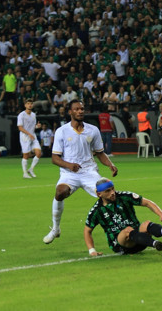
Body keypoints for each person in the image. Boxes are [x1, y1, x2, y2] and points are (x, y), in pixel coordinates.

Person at [44, 100, 118, 244]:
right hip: (69, 173)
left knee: (109, 194)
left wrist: (110, 165)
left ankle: (117, 228)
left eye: (82, 109)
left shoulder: (93, 130)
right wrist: (69, 165)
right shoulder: (62, 131)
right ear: (70, 112)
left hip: (89, 172)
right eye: (76, 109)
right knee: (60, 193)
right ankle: (56, 228)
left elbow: (100, 153)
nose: (80, 111)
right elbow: (54, 158)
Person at [84, 178, 162, 256]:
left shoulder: (124, 196)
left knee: (146, 224)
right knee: (127, 230)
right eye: (107, 191)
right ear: (99, 194)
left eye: (112, 189)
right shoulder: (96, 210)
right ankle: (155, 244)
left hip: (140, 238)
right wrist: (92, 250)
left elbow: (147, 202)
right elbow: (87, 231)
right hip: (121, 245)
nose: (112, 193)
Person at [17, 98, 42, 178]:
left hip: (32, 136)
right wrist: (29, 134)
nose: (30, 105)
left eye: (31, 103)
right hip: (25, 137)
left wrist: (37, 127)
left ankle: (31, 169)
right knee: (26, 155)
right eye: (28, 103)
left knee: (38, 153)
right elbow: (20, 128)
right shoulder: (21, 115)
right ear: (25, 105)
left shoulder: (33, 115)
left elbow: (32, 127)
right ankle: (25, 173)